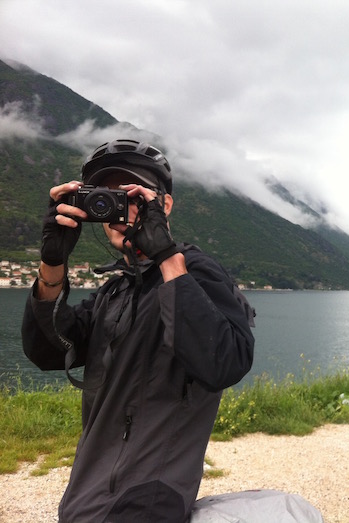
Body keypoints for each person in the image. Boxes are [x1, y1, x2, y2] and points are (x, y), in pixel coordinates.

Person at [22, 139, 255, 522]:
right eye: (104, 196)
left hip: (150, 496)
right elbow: (48, 351)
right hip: (87, 489)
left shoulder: (197, 272)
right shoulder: (116, 287)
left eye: (132, 196)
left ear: (163, 206)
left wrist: (165, 255)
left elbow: (225, 363)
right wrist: (52, 263)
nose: (117, 209)